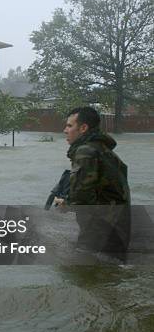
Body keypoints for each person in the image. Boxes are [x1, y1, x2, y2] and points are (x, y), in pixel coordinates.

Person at [54, 107, 131, 261]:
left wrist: (65, 204)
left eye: (69, 126)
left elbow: (81, 198)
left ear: (83, 128)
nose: (65, 130)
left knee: (82, 278)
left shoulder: (86, 152)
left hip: (100, 232)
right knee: (107, 279)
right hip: (116, 229)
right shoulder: (103, 150)